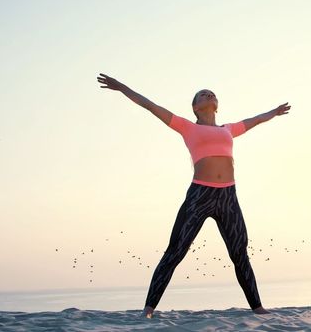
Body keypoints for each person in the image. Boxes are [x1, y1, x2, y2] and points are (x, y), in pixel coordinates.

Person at [96, 73, 290, 318]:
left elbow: (254, 120)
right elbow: (150, 106)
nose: (208, 94)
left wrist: (274, 112)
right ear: (195, 107)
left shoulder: (229, 129)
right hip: (200, 195)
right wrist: (122, 87)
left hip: (228, 197)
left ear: (216, 105)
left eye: (212, 93)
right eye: (202, 94)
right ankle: (148, 308)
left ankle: (258, 307)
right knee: (175, 251)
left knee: (239, 253)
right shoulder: (187, 126)